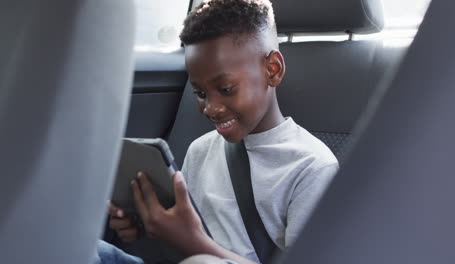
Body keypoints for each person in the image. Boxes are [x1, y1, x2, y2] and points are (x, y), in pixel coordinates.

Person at [104, 0, 339, 263]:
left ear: (272, 69)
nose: (211, 108)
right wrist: (146, 228)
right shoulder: (200, 150)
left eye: (226, 89)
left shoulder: (312, 168)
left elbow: (193, 243)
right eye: (200, 94)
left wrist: (195, 243)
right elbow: (181, 239)